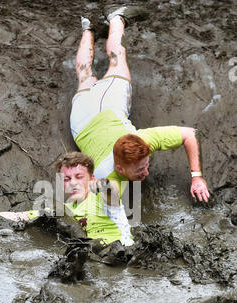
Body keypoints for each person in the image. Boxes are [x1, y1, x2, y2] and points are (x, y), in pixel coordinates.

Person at [70, 5, 210, 203]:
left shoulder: (142, 139)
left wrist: (197, 178)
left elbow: (190, 134)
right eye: (139, 170)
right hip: (93, 116)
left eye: (145, 165)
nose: (146, 172)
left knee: (87, 74)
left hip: (85, 118)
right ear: (119, 169)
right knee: (114, 61)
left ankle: (93, 26)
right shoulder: (105, 177)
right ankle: (111, 20)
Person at [0, 152, 134, 246]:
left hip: (123, 252)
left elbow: (113, 192)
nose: (73, 183)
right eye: (67, 179)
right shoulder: (64, 209)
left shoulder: (100, 198)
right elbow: (22, 216)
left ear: (92, 178)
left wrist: (104, 185)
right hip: (96, 257)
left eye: (79, 176)